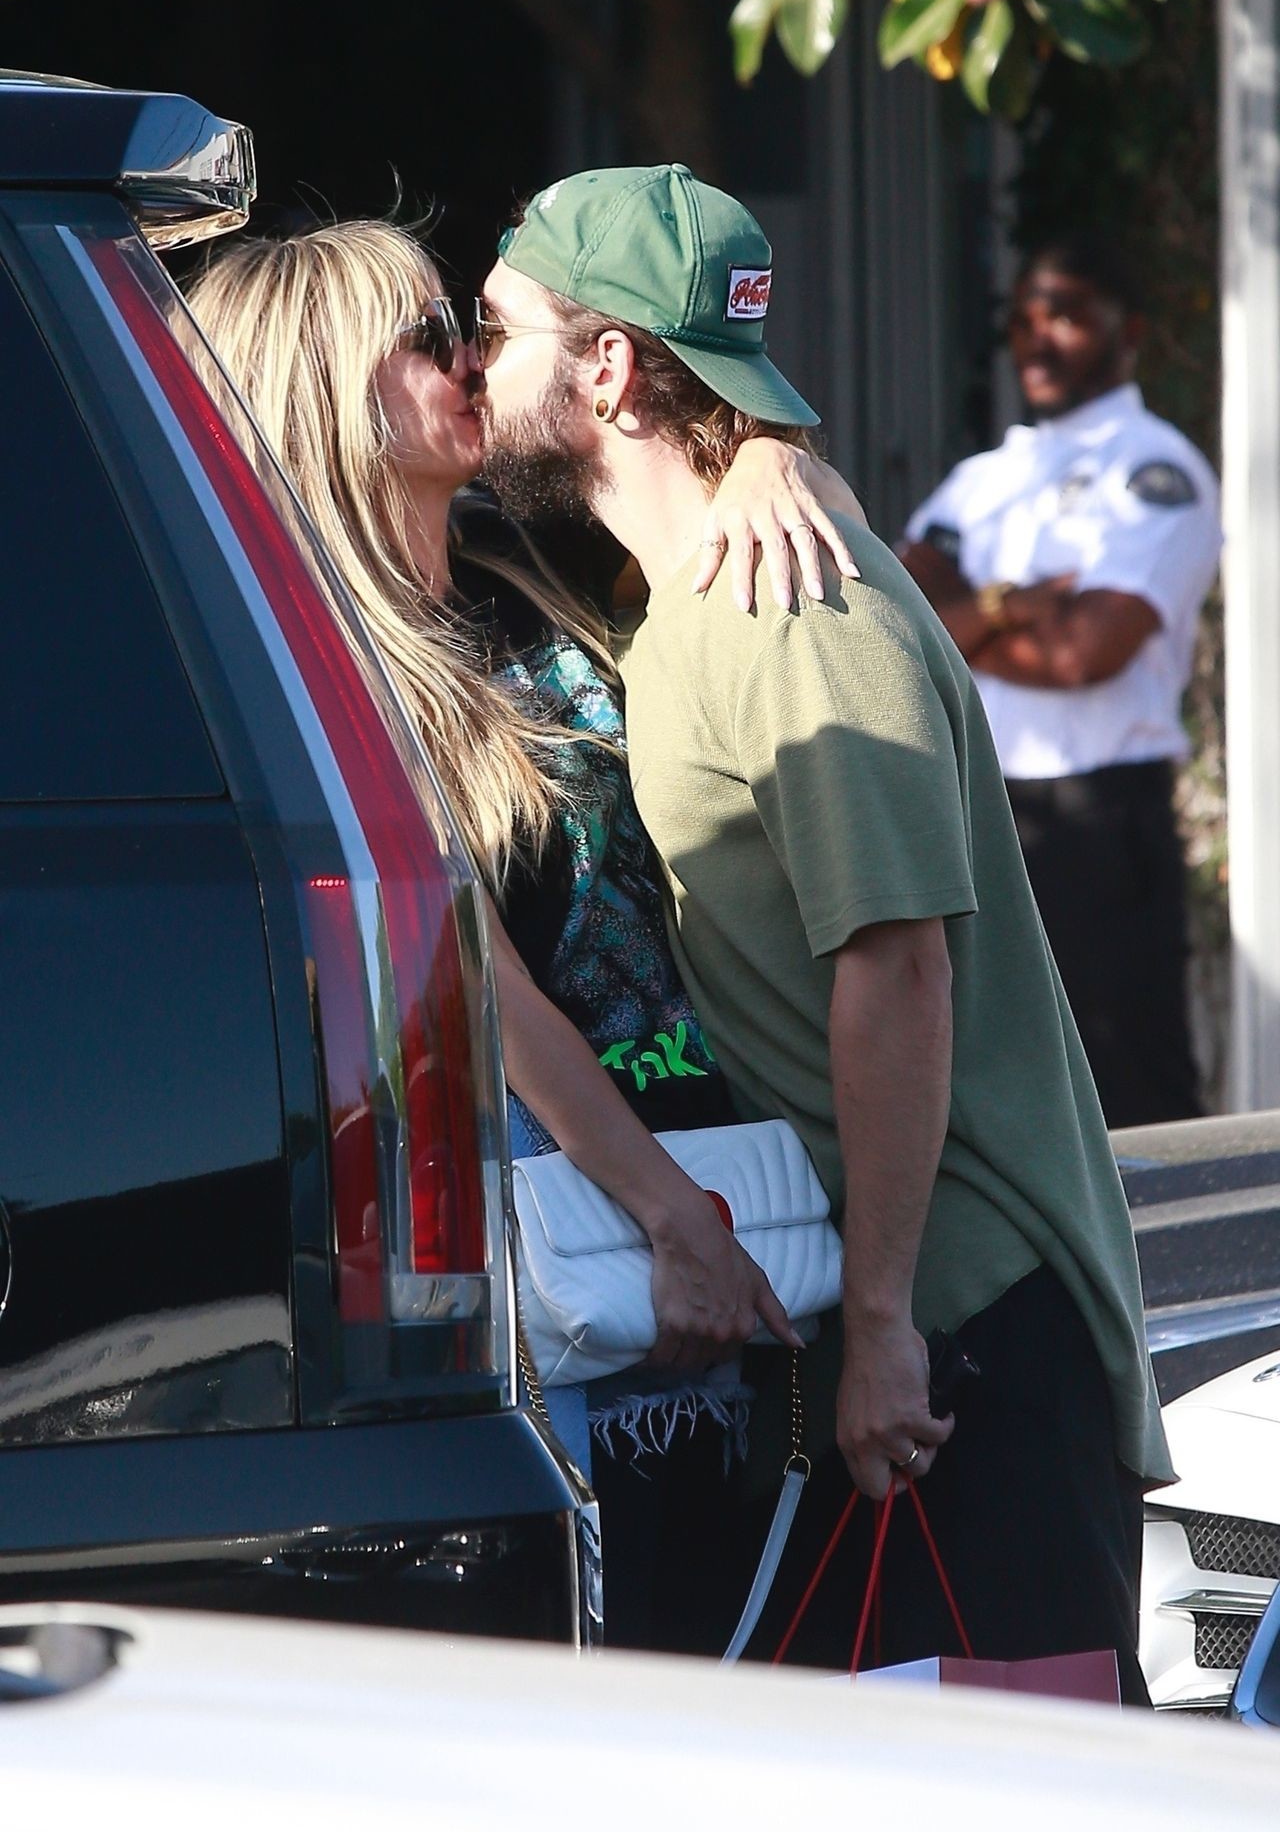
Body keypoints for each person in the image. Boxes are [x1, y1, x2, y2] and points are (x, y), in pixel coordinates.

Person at [474, 164, 1174, 1700]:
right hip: (890, 1328)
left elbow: (898, 968)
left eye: (498, 328)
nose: (472, 363)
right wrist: (779, 456)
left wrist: (883, 1324)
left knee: (1023, 1789)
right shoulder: (702, 581)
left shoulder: (791, 606)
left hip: (966, 1328)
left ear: (608, 368)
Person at [186, 219, 860, 1653]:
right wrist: (672, 1221)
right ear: (323, 386)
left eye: (471, 328)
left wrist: (768, 456)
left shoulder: (527, 561)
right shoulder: (326, 669)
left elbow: (717, 494)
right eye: (428, 336)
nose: (471, 359)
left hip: (730, 1182)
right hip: (588, 1247)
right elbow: (477, 986)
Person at [899, 238, 1221, 1129]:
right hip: (979, 811)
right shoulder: (982, 480)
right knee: (984, 1085)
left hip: (1097, 822)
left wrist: (962, 614)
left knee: (1130, 1095)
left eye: (1069, 317)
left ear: (1131, 333)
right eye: (1024, 320)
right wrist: (1009, 606)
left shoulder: (1153, 472)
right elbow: (899, 623)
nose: (1037, 340)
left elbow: (1084, 654)